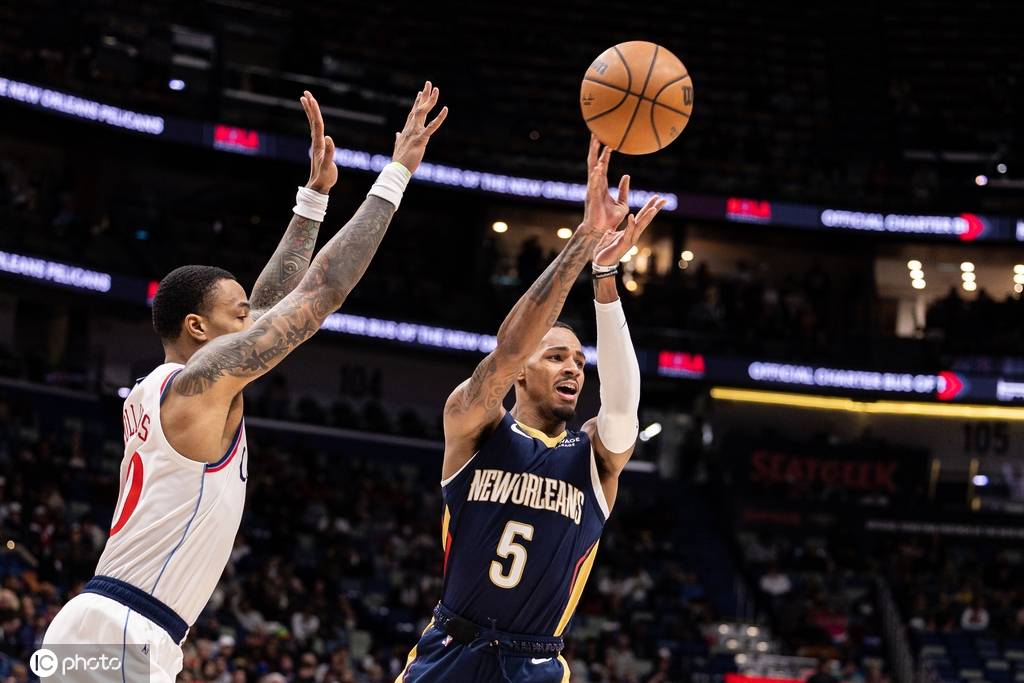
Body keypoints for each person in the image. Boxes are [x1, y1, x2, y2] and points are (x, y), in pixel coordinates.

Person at [41, 83, 448, 681]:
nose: (254, 321)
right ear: (197, 327)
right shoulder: (196, 386)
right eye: (239, 316)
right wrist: (396, 175)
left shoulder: (176, 385)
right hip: (127, 627)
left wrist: (313, 198)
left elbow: (274, 299)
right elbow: (319, 292)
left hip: (114, 622)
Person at [396, 136, 666, 682]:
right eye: (556, 357)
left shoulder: (593, 457)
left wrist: (605, 279)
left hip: (534, 662)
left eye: (580, 362)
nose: (574, 369)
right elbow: (508, 349)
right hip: (450, 650)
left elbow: (623, 407)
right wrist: (584, 238)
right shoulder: (475, 425)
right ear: (522, 371)